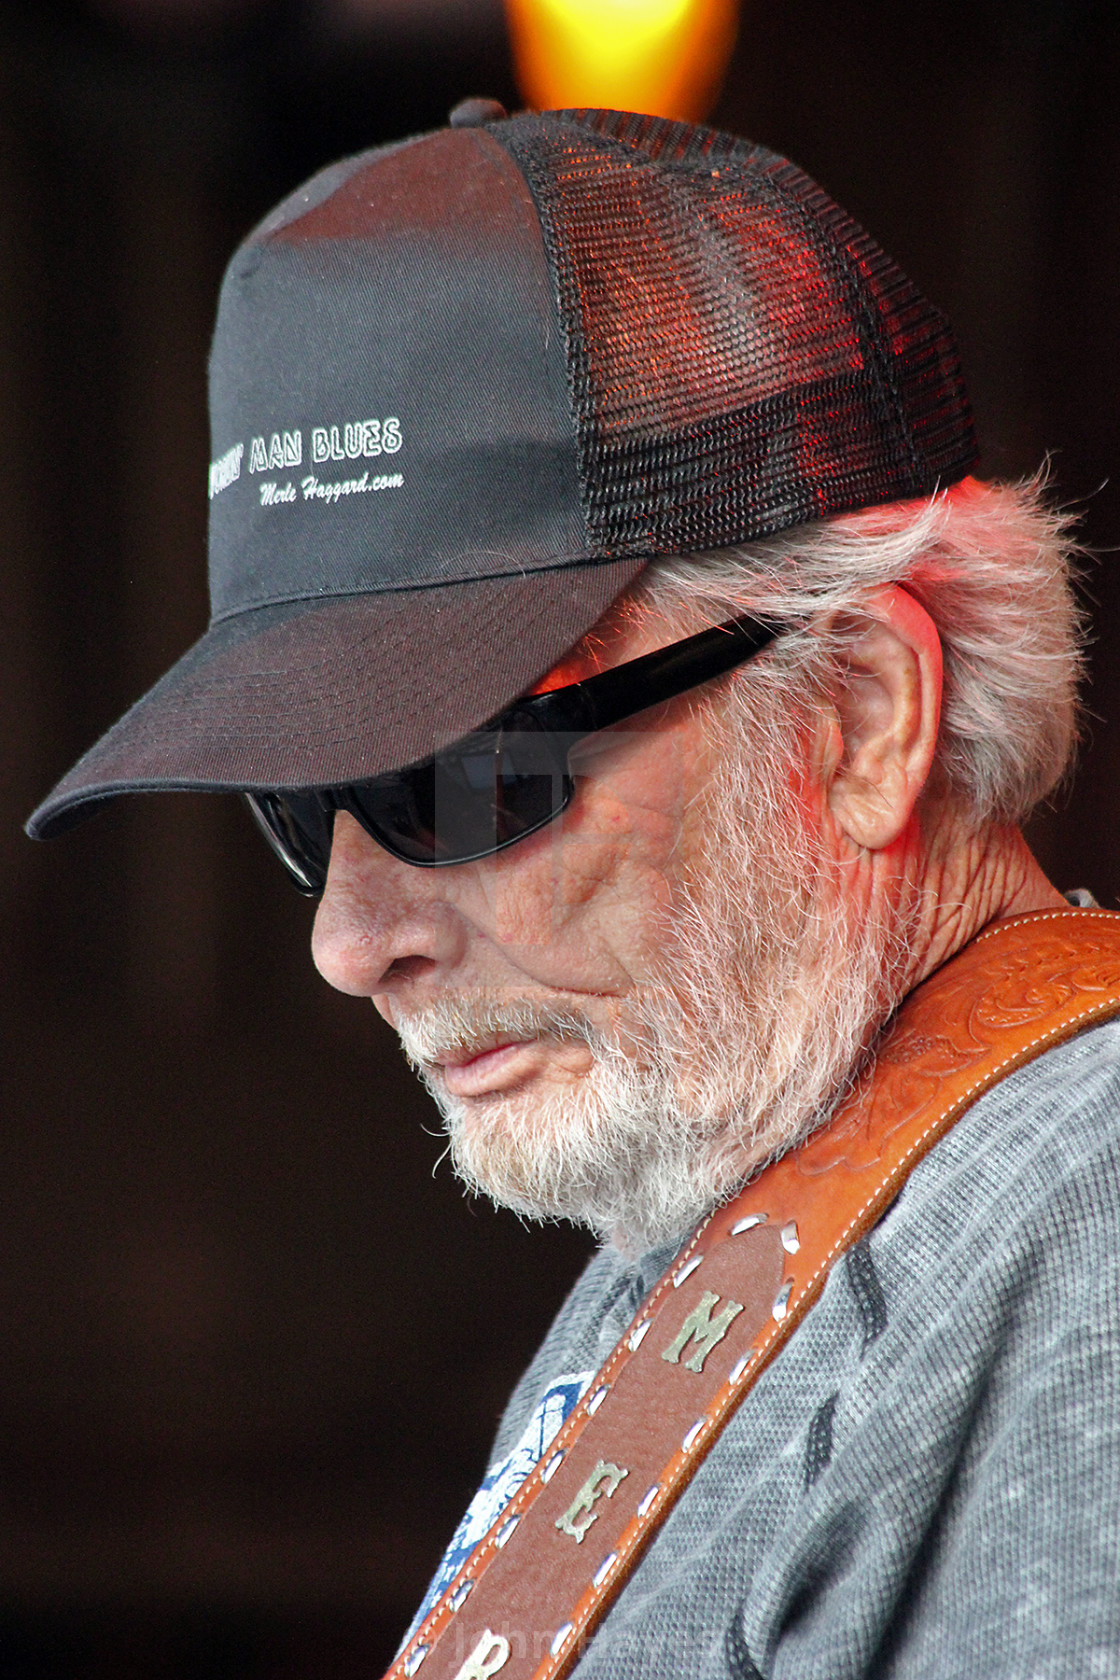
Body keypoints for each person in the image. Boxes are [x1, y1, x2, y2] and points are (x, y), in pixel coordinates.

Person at [29, 105, 1120, 1677]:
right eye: (305, 801)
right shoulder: (717, 1234)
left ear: (863, 713)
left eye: (463, 780)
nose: (347, 942)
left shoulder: (1081, 1230)